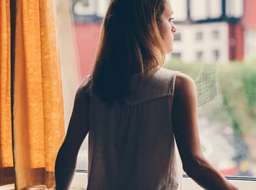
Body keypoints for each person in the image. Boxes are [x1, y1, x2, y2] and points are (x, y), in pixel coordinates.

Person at [54, 0, 239, 189]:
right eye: (170, 19)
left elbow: (68, 152)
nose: (174, 28)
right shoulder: (176, 87)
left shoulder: (90, 90)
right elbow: (194, 164)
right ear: (149, 26)